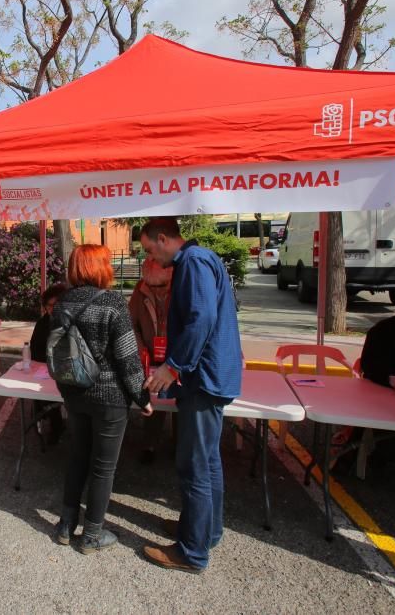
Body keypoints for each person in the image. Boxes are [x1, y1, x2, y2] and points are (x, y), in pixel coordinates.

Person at [140, 217, 242, 574]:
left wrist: (175, 366)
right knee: (208, 461)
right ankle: (204, 531)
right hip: (210, 376)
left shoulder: (194, 262)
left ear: (164, 239)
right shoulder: (200, 259)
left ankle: (192, 552)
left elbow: (201, 318)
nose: (151, 258)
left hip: (203, 378)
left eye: (150, 250)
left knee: (195, 465)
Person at [50, 244, 150, 553]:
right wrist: (142, 396)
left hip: (73, 392)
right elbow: (127, 358)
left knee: (77, 456)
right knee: (103, 467)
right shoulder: (112, 303)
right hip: (109, 397)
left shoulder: (61, 302)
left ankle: (66, 525)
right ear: (101, 268)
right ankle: (92, 534)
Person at [128, 258, 173, 465]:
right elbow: (131, 324)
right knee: (153, 398)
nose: (157, 291)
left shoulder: (184, 288)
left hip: (176, 356)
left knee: (180, 401)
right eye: (152, 286)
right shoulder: (141, 288)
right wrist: (140, 348)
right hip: (149, 353)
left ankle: (179, 444)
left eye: (162, 285)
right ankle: (149, 444)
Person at [28, 283, 67, 444]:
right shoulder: (43, 323)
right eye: (49, 305)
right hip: (45, 370)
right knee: (43, 394)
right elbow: (34, 348)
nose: (52, 309)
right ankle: (54, 424)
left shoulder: (71, 322)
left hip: (69, 370)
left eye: (56, 304)